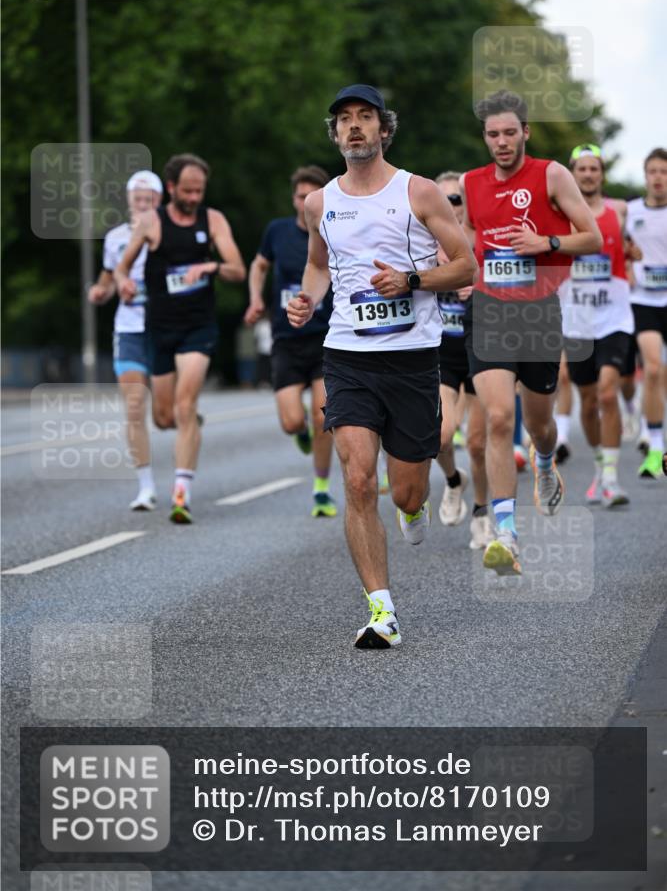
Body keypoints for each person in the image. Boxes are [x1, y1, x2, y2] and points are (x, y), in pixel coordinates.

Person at [287, 84, 476, 648]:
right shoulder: (319, 203)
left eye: (364, 117)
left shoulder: (417, 193)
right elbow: (319, 266)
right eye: (344, 119)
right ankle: (381, 611)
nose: (354, 127)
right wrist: (307, 300)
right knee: (360, 478)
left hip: (414, 359)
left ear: (384, 129)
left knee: (407, 491)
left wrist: (411, 280)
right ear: (336, 134)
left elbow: (465, 267)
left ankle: (414, 507)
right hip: (347, 356)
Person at [461, 90, 602, 575]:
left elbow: (593, 236)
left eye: (509, 133)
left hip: (540, 311)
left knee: (540, 425)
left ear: (526, 132)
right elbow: (466, 242)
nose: (501, 142)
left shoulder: (551, 175)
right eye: (492, 134)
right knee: (500, 418)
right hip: (489, 311)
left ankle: (545, 461)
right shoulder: (470, 183)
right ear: (485, 137)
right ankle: (506, 532)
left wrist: (546, 242)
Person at [115, 153, 246, 523]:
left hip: (198, 327)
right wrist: (124, 280)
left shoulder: (213, 219)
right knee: (163, 416)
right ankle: (187, 426)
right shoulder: (151, 223)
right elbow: (124, 266)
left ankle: (181, 492)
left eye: (199, 190)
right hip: (160, 328)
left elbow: (237, 268)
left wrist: (211, 266)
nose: (193, 197)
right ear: (171, 188)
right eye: (187, 190)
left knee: (186, 406)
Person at [244, 165, 338, 517]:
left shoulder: (333, 230)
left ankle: (321, 490)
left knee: (322, 417)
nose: (305, 202)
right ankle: (299, 433)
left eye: (312, 196)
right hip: (286, 339)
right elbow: (258, 266)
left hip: (324, 338)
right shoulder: (277, 231)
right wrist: (255, 299)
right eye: (300, 196)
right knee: (291, 422)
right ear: (293, 197)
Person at [559, 143, 636, 506]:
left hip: (614, 317)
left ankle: (611, 478)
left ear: (601, 174)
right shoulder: (560, 214)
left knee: (608, 391)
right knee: (587, 403)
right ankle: (600, 467)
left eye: (594, 169)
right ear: (572, 174)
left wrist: (633, 255)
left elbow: (636, 244)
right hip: (577, 321)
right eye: (582, 169)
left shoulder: (620, 211)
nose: (588, 174)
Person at [88, 170, 163, 510]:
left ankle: (185, 415)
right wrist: (102, 290)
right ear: (129, 201)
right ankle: (146, 487)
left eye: (149, 200)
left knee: (167, 414)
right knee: (135, 407)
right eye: (138, 199)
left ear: (159, 202)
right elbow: (108, 275)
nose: (143, 204)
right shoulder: (115, 238)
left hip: (164, 328)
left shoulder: (169, 234)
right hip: (129, 328)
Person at [433, 171, 492, 550]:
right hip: (443, 353)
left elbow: (514, 283)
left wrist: (479, 283)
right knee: (439, 435)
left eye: (457, 200)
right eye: (444, 201)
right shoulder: (423, 242)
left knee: (477, 443)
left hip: (484, 350)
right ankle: (454, 481)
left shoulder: (483, 240)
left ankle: (483, 513)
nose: (451, 207)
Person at [626, 147, 667, 479]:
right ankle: (655, 449)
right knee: (652, 370)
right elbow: (615, 247)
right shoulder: (630, 211)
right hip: (644, 301)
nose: (658, 177)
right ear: (645, 175)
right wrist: (627, 261)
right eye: (653, 171)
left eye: (664, 172)